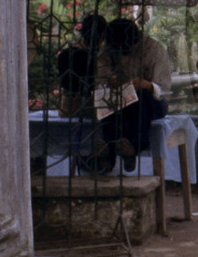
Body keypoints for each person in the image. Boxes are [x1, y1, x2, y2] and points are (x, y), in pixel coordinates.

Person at [97, 17, 171, 172]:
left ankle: (134, 147)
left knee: (142, 97)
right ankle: (107, 152)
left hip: (151, 103)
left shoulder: (154, 50)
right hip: (121, 101)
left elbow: (164, 88)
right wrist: (109, 81)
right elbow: (99, 77)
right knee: (106, 100)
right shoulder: (109, 49)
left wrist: (148, 85)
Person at [55, 14, 108, 118]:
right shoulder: (96, 59)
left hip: (67, 108)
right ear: (101, 36)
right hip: (90, 109)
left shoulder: (66, 54)